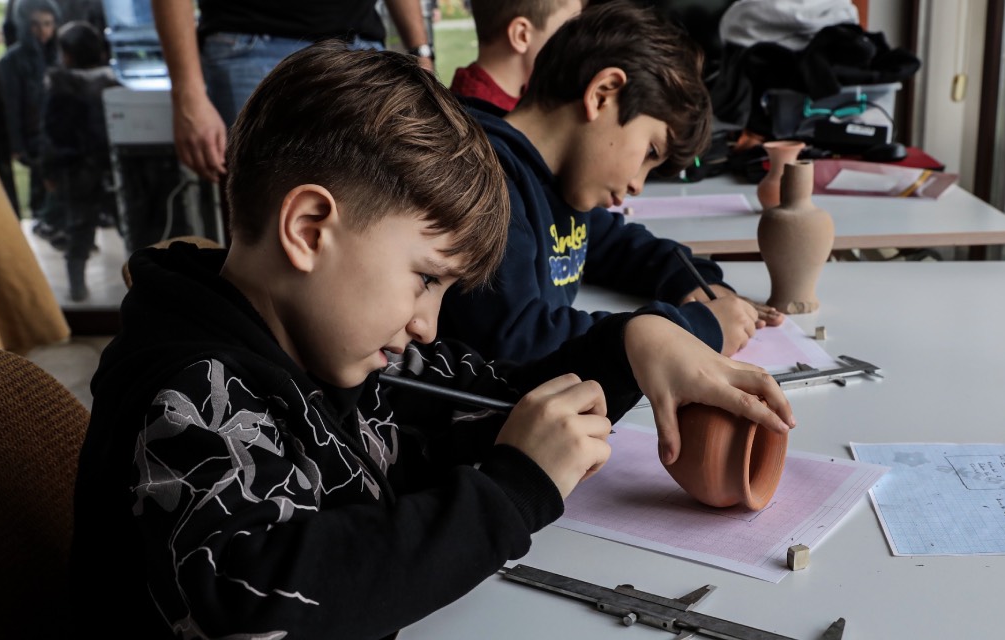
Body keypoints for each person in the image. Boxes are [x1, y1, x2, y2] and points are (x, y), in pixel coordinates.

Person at [66, 42, 795, 639]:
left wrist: (635, 343)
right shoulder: (188, 393)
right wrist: (511, 493)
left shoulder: (343, 350)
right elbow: (252, 604)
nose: (429, 324)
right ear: (310, 230)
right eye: (425, 279)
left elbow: (500, 403)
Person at [439, 1, 783, 364]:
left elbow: (616, 245)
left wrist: (691, 279)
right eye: (650, 151)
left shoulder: (557, 182)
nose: (638, 186)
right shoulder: (487, 183)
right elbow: (519, 340)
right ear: (603, 94)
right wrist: (688, 331)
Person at [151, 0, 435, 184]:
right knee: (269, 227)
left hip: (362, 47)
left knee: (377, 203)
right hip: (252, 44)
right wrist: (187, 93)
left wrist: (420, 52)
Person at [42, 21, 120, 302]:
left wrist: (49, 170)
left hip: (77, 172)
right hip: (113, 171)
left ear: (68, 55)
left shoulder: (60, 88)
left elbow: (51, 135)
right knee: (128, 225)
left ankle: (77, 288)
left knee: (79, 230)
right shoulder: (113, 85)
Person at [450, 0, 582, 115]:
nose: (575, 44)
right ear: (522, 35)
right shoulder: (478, 118)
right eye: (568, 32)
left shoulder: (531, 89)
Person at [0, 0, 61, 236]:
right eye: (36, 24)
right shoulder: (11, 61)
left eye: (48, 23)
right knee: (41, 187)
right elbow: (11, 107)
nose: (43, 30)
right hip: (33, 136)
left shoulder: (59, 54)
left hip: (59, 135)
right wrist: (16, 145)